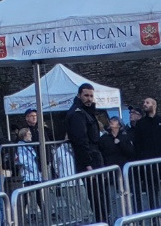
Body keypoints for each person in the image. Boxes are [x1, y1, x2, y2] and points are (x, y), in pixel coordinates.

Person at [65, 84, 108, 224]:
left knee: (101, 195)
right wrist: (88, 163)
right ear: (79, 96)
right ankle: (101, 221)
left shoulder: (86, 112)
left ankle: (103, 220)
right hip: (90, 159)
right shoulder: (78, 114)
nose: (89, 98)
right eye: (86, 95)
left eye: (91, 96)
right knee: (97, 197)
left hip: (94, 157)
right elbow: (81, 140)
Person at [132, 97, 161, 209]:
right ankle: (155, 218)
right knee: (152, 191)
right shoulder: (141, 124)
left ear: (154, 105)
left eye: (147, 102)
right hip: (148, 162)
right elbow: (138, 143)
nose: (144, 104)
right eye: (144, 102)